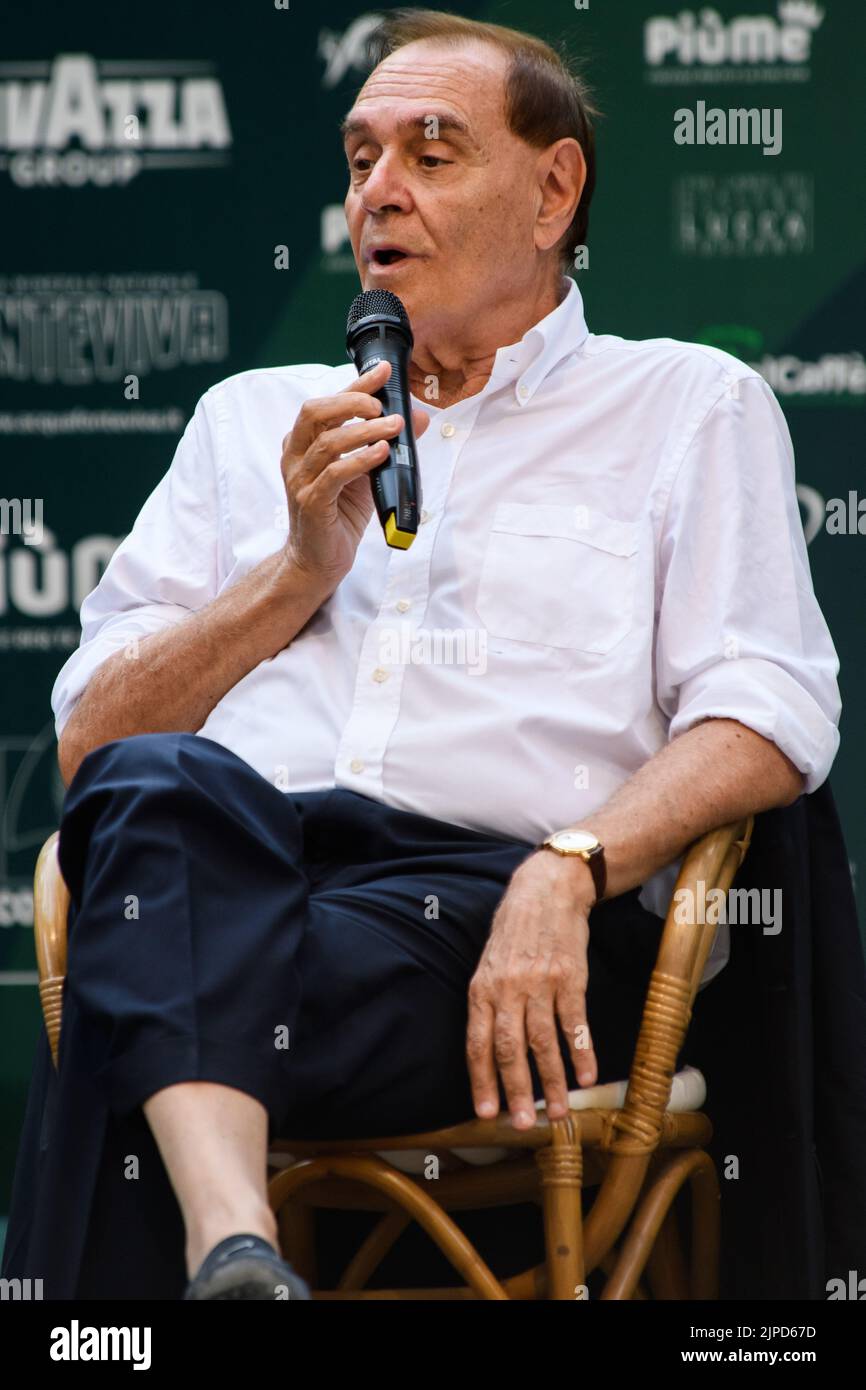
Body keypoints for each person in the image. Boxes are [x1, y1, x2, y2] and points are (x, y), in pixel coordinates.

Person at [3, 10, 841, 1301]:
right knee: (158, 790)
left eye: (431, 154)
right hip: (239, 875)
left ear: (553, 188)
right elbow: (93, 744)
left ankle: (208, 1256)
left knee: (136, 980)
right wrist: (295, 570)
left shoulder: (683, 400)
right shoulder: (251, 422)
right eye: (357, 158)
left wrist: (569, 871)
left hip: (487, 915)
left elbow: (765, 705)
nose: (376, 193)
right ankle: (234, 1247)